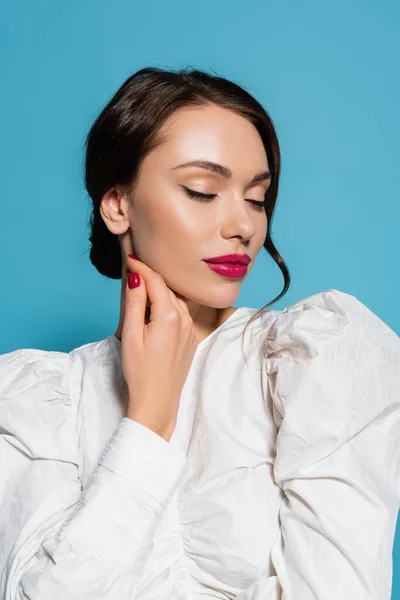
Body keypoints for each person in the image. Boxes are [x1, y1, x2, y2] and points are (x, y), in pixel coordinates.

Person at [0, 66, 399, 600]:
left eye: (257, 198)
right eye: (202, 190)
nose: (244, 225)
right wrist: (147, 425)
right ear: (117, 204)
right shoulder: (35, 402)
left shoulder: (318, 360)